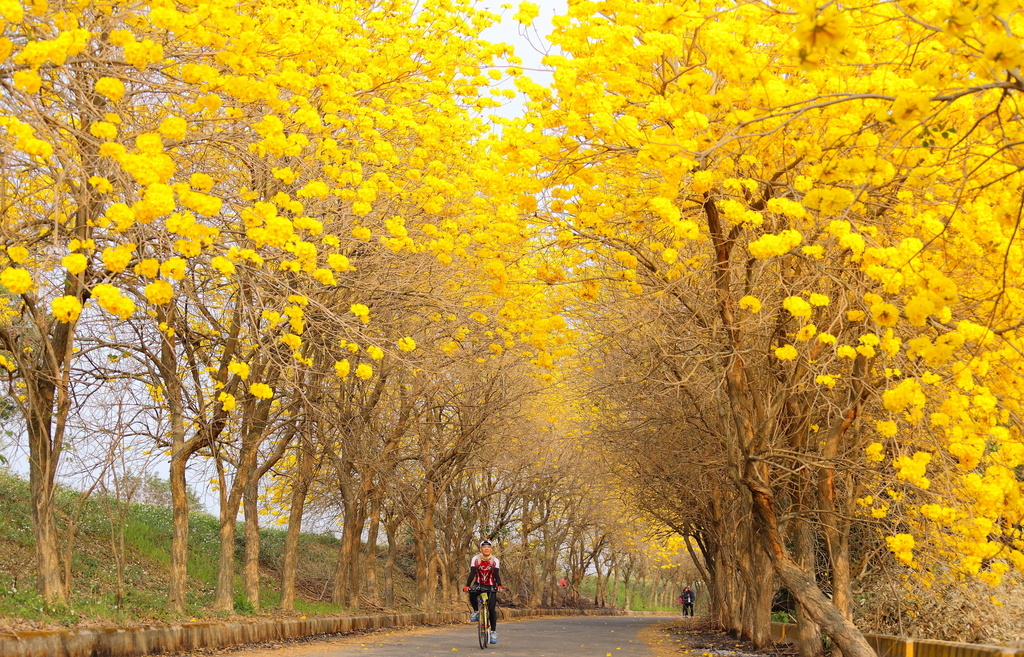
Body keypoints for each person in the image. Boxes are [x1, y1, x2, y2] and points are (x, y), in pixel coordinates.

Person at [463, 539, 504, 644]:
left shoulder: (495, 560)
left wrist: (499, 585)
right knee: (472, 592)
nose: (486, 549)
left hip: (490, 585)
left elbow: (496, 574)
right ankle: (476, 611)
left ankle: (493, 632)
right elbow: (472, 572)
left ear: (491, 549)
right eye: (484, 547)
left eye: (488, 547)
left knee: (491, 609)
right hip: (478, 584)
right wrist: (467, 585)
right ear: (480, 549)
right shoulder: (475, 559)